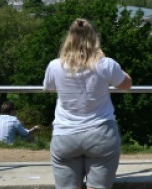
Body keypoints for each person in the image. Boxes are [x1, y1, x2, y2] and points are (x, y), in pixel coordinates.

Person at [43, 18, 133, 189]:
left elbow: (49, 87)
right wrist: (103, 57)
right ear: (94, 39)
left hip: (65, 134)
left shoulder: (55, 65)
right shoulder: (106, 64)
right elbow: (127, 84)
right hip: (101, 133)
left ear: (69, 39)